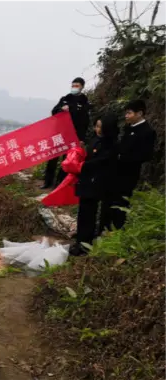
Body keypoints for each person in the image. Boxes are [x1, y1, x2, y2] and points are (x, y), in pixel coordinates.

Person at [102, 100, 157, 231]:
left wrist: (124, 158)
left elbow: (146, 155)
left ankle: (117, 229)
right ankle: (106, 227)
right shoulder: (128, 128)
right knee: (111, 199)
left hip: (129, 173)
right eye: (125, 113)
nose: (126, 116)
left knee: (122, 200)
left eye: (129, 113)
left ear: (140, 113)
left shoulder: (147, 132)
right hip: (117, 170)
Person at [70, 115, 120, 256]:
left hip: (97, 182)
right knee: (83, 212)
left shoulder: (111, 144)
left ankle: (84, 245)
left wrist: (82, 165)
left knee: (89, 213)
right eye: (96, 126)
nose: (97, 129)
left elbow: (101, 162)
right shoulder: (95, 140)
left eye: (100, 126)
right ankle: (80, 239)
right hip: (86, 181)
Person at [42, 77, 91, 189]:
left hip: (72, 135)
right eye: (73, 85)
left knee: (67, 160)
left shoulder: (84, 102)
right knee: (52, 159)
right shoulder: (65, 98)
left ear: (82, 87)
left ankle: (59, 184)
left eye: (77, 86)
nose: (74, 88)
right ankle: (47, 182)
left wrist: (81, 138)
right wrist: (61, 109)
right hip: (59, 134)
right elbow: (54, 112)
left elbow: (84, 122)